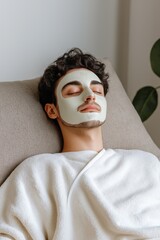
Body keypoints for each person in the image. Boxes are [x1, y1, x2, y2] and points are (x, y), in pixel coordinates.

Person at [0, 48, 160, 240]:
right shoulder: (38, 172)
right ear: (52, 110)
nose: (90, 95)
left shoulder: (146, 163)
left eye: (97, 90)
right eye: (74, 91)